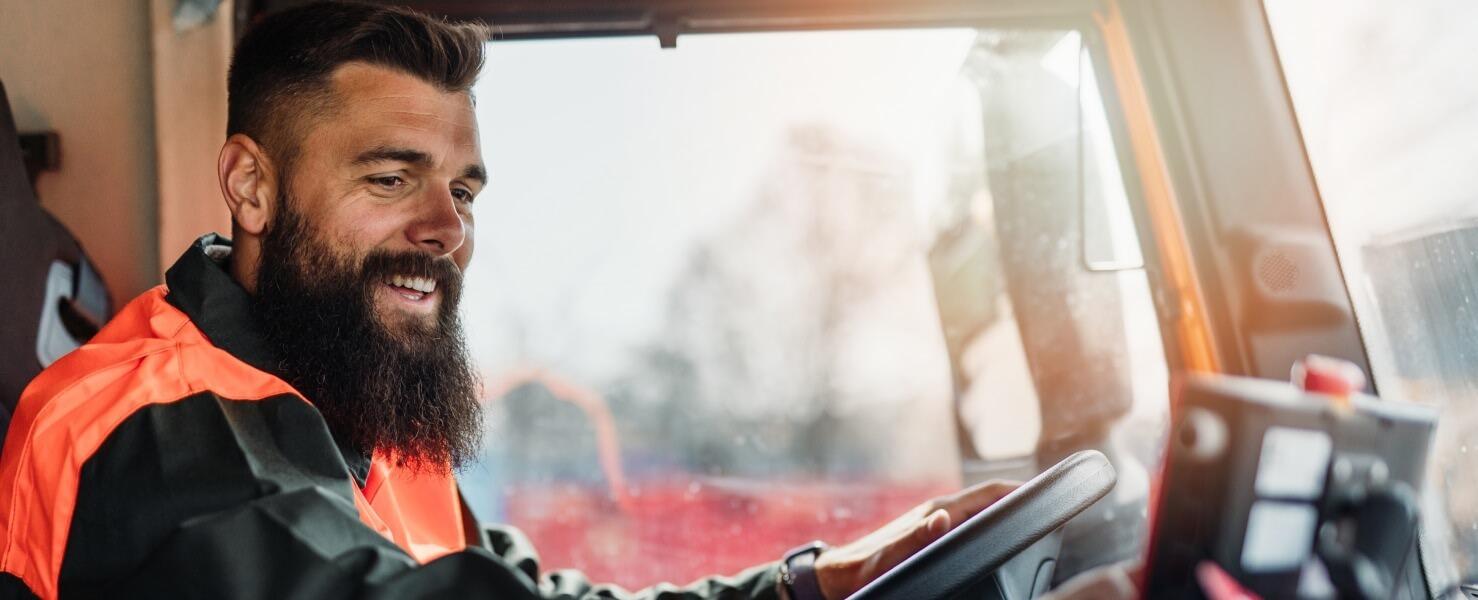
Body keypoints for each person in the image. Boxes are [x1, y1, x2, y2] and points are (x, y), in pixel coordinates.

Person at [0, 3, 1033, 599]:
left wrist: (811, 584)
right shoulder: (136, 429)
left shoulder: (366, 403)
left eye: (461, 191)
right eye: (390, 179)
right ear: (254, 187)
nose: (446, 229)